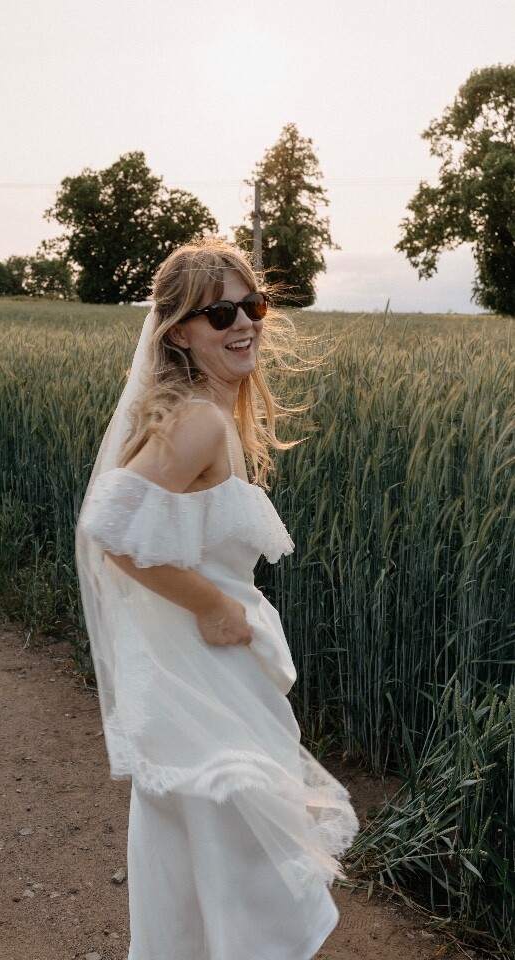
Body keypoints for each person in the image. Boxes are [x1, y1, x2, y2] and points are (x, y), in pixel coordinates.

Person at [76, 238, 358, 960]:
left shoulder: (212, 417)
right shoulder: (199, 421)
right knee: (244, 878)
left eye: (253, 305)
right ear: (178, 332)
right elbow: (109, 527)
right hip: (204, 688)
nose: (245, 323)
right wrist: (209, 603)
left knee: (210, 877)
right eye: (220, 312)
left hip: (208, 682)